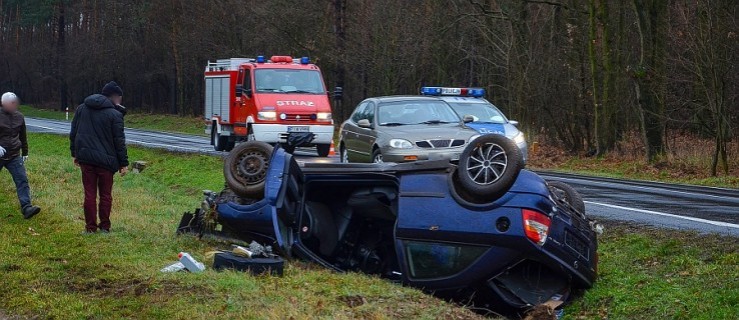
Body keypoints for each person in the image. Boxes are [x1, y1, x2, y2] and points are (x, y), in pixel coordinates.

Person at [70, 81, 129, 234]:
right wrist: (123, 163)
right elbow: (119, 141)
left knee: (89, 194)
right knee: (105, 195)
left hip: (86, 159)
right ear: (115, 97)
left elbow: (74, 133)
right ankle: (104, 226)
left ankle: (90, 228)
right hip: (106, 162)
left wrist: (74, 153)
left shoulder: (82, 108)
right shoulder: (115, 115)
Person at [0, 92, 41, 219]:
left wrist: (25, 153)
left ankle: (26, 207)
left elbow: (23, 136)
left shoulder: (19, 117)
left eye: (14, 103)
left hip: (14, 155)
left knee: (22, 180)